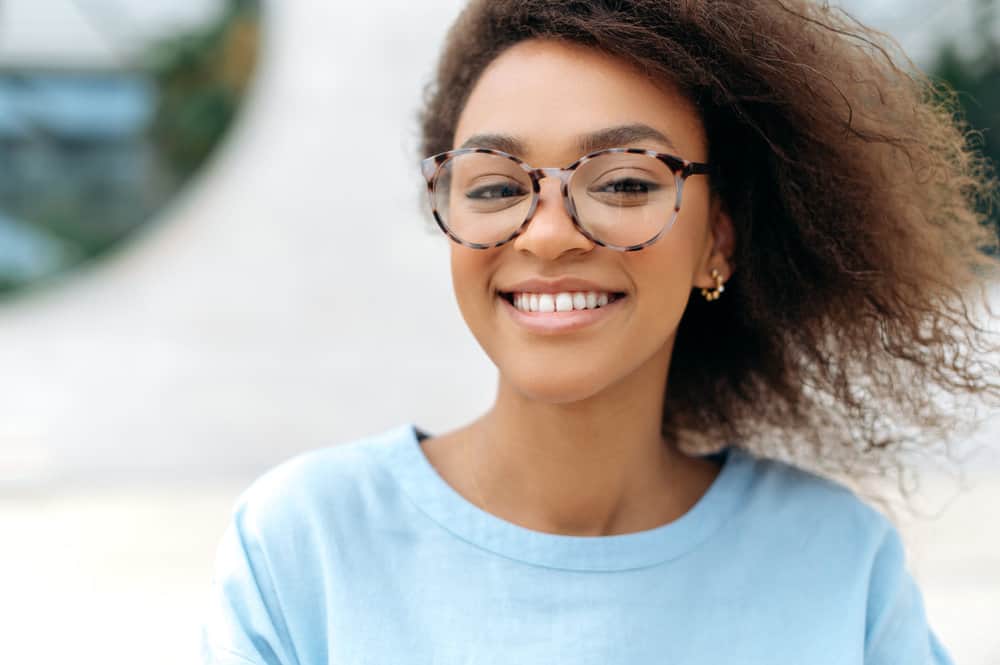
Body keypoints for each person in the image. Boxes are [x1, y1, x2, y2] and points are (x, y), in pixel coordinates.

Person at [200, 1, 1000, 663]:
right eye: (494, 185)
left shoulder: (839, 563)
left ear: (717, 240)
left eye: (623, 181)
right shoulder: (307, 546)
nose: (547, 235)